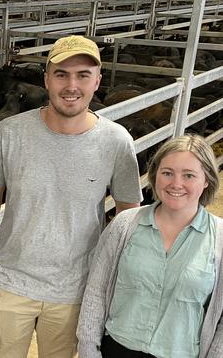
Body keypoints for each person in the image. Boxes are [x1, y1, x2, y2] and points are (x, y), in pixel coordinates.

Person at [0, 35, 143, 357]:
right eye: (61, 74)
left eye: (83, 75)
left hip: (76, 288)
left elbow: (128, 215)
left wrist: (113, 279)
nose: (71, 85)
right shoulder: (10, 131)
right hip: (11, 282)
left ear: (97, 82)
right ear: (46, 79)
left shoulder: (116, 142)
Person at [78, 134, 223, 358]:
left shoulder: (220, 239)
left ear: (206, 180)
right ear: (155, 176)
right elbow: (96, 291)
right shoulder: (124, 224)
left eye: (189, 175)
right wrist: (88, 349)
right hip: (117, 349)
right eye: (167, 173)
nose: (176, 184)